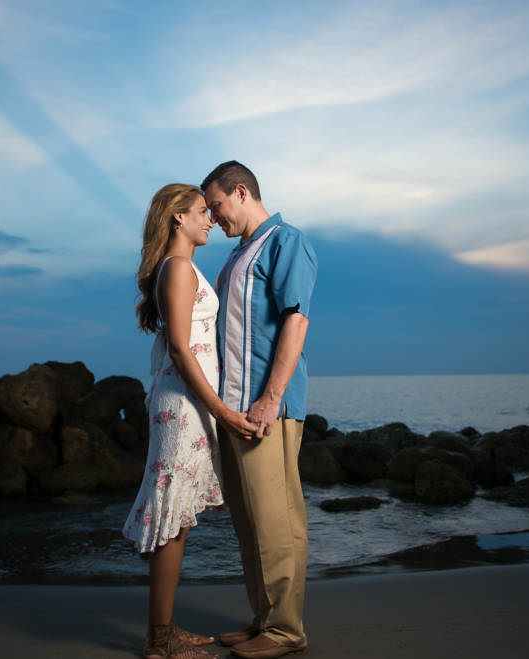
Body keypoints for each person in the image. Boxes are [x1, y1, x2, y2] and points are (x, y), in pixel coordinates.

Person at [122, 183, 259, 659]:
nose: (209, 220)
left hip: (185, 404)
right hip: (184, 407)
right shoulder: (178, 268)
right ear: (176, 218)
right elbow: (181, 348)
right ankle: (159, 641)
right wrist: (221, 410)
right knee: (172, 519)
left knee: (177, 520)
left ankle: (162, 632)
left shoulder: (182, 268)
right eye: (201, 212)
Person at [202, 161, 318, 659]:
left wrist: (271, 398)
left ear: (242, 191)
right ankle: (264, 620)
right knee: (249, 523)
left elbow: (296, 320)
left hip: (266, 407)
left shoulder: (285, 241)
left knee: (277, 520)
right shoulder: (236, 256)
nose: (214, 216)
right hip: (232, 410)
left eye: (217, 206)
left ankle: (288, 631)